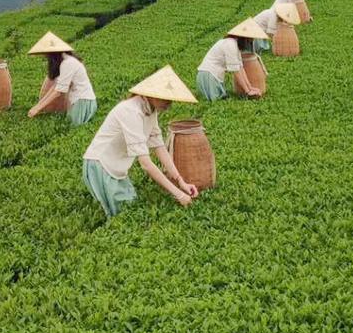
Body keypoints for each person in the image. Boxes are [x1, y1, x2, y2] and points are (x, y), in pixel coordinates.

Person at [82, 66, 200, 217]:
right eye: (163, 98)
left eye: (170, 99)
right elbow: (146, 164)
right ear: (150, 94)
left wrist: (180, 181)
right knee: (119, 214)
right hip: (101, 165)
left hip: (118, 166)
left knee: (130, 207)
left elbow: (159, 147)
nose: (168, 103)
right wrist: (178, 194)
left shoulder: (151, 111)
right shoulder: (130, 111)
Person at [25, 32, 98, 126]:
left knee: (70, 127)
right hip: (81, 101)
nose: (46, 57)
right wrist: (38, 106)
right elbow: (55, 87)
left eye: (47, 55)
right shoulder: (66, 62)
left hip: (83, 103)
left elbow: (59, 91)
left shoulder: (68, 63)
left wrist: (38, 109)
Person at [195, 20, 268, 100]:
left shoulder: (234, 45)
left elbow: (240, 68)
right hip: (208, 76)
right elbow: (236, 71)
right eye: (250, 39)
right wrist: (247, 91)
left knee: (221, 99)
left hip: (212, 75)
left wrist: (250, 88)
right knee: (215, 100)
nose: (250, 42)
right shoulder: (230, 45)